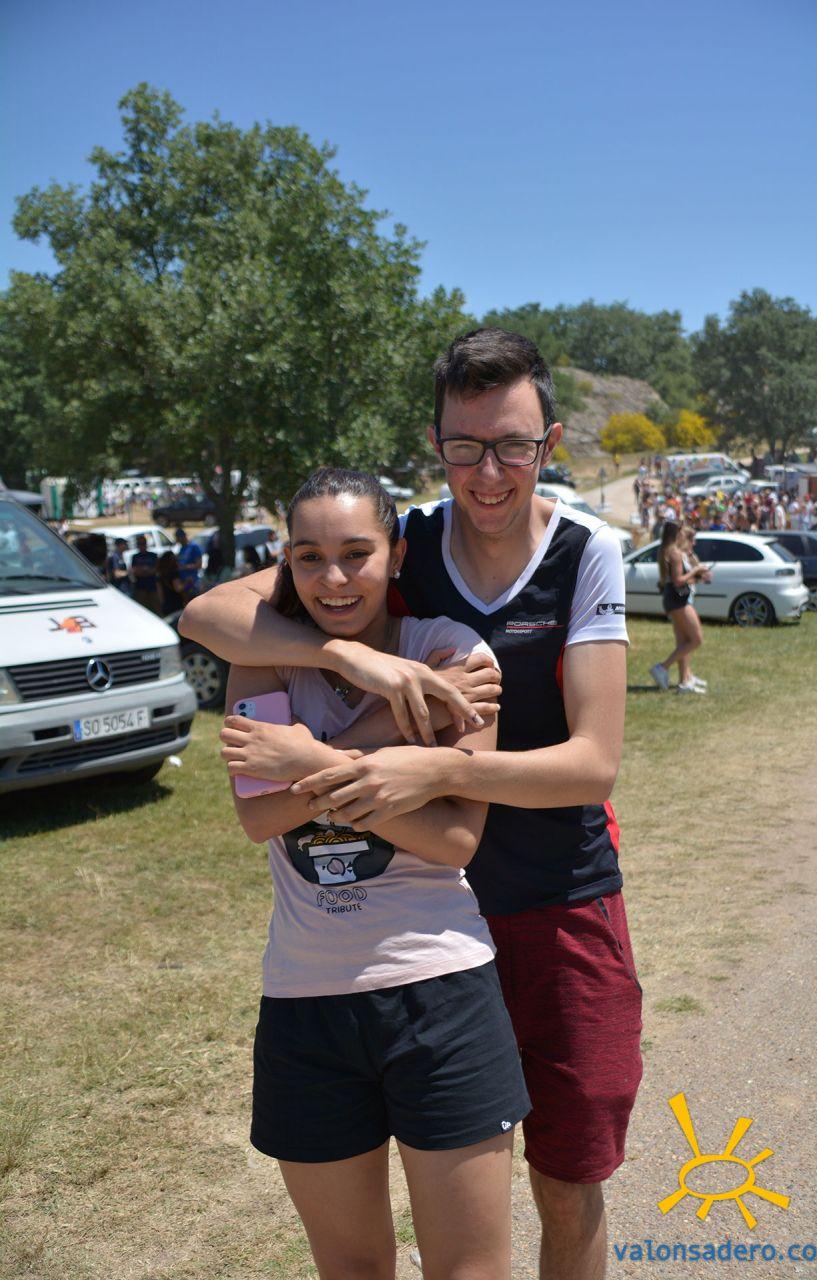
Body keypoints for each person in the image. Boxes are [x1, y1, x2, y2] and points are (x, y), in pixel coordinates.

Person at [181, 328, 641, 1280]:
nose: (488, 472)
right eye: (464, 446)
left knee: (565, 1179)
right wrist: (349, 659)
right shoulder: (398, 540)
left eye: (512, 445)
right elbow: (208, 615)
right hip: (422, 915)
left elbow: (591, 765)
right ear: (436, 445)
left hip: (553, 895)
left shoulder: (586, 551)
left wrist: (433, 773)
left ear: (550, 443)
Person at [220, 468, 529, 1279]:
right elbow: (259, 818)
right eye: (308, 556)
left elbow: (453, 837)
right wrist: (394, 731)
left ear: (396, 555)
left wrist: (306, 760)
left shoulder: (451, 651)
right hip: (304, 1005)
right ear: (285, 562)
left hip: (441, 990)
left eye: (356, 553)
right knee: (351, 1268)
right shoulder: (262, 656)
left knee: (468, 1270)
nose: (332, 578)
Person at [649, 522, 710, 694]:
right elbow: (678, 581)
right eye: (682, 531)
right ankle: (662, 667)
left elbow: (677, 579)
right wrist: (696, 570)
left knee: (684, 642)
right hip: (678, 600)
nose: (684, 534)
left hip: (673, 599)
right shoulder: (674, 553)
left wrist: (697, 575)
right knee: (696, 639)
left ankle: (685, 681)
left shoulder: (669, 551)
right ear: (677, 534)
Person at [130, 533, 159, 610]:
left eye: (143, 543)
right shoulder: (135, 557)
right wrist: (146, 571)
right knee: (141, 609)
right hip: (140, 587)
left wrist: (144, 571)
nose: (141, 545)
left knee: (155, 608)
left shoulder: (153, 555)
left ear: (146, 544)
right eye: (139, 544)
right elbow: (135, 571)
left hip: (152, 587)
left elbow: (156, 569)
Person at [157, 550, 188, 615]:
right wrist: (188, 583)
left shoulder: (160, 574)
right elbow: (178, 588)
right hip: (176, 604)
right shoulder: (174, 573)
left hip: (166, 606)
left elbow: (160, 594)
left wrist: (163, 605)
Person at [174, 527, 203, 597]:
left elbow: (199, 565)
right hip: (183, 582)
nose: (177, 540)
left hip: (192, 582)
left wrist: (185, 567)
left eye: (178, 537)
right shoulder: (181, 549)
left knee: (192, 599)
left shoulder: (194, 547)